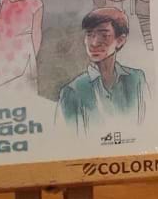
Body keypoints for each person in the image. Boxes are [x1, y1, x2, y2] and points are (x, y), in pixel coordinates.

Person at [57, 8, 148, 137]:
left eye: (104, 35)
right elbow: (69, 139)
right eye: (89, 34)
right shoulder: (72, 91)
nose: (94, 43)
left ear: (120, 40)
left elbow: (149, 126)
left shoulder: (137, 79)